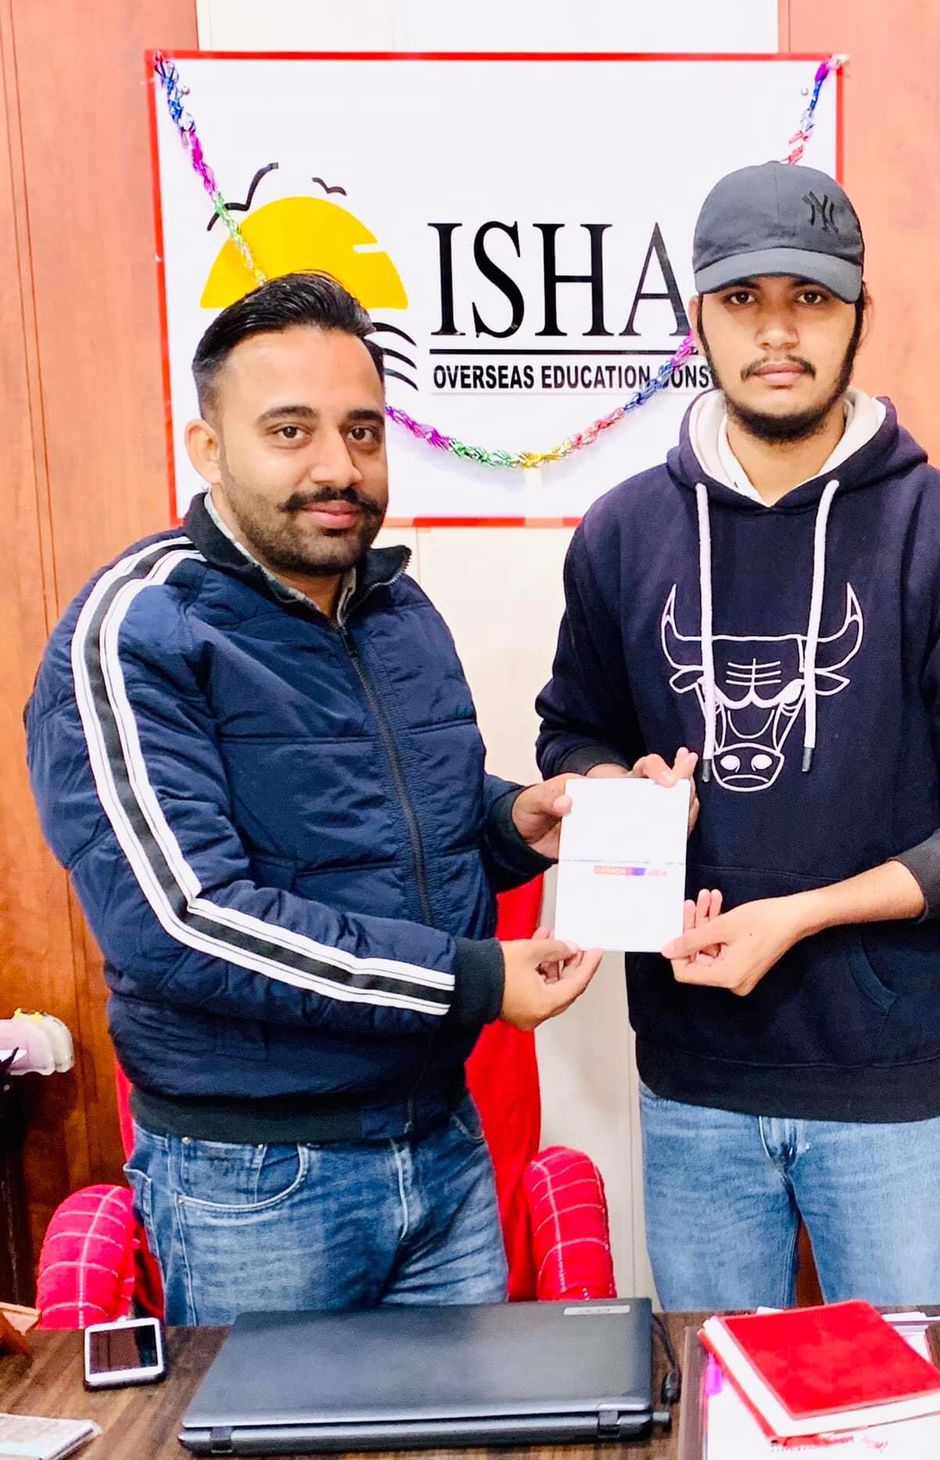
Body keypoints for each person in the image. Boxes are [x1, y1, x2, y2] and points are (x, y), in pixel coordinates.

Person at [535, 161, 940, 1309]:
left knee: (912, 1396)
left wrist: (808, 911)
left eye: (810, 298)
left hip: (888, 1093)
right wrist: (621, 784)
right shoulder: (622, 534)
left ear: (859, 311)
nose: (777, 332)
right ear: (700, 317)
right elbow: (571, 729)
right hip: (690, 1088)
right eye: (743, 299)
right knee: (720, 1391)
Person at [26, 272, 600, 1324]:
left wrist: (514, 822)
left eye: (362, 431)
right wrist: (471, 980)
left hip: (441, 1143)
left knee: (470, 1423)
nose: (338, 466)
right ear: (208, 449)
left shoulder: (394, 604)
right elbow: (185, 922)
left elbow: (394, 818)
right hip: (259, 1183)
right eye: (290, 430)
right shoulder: (136, 629)